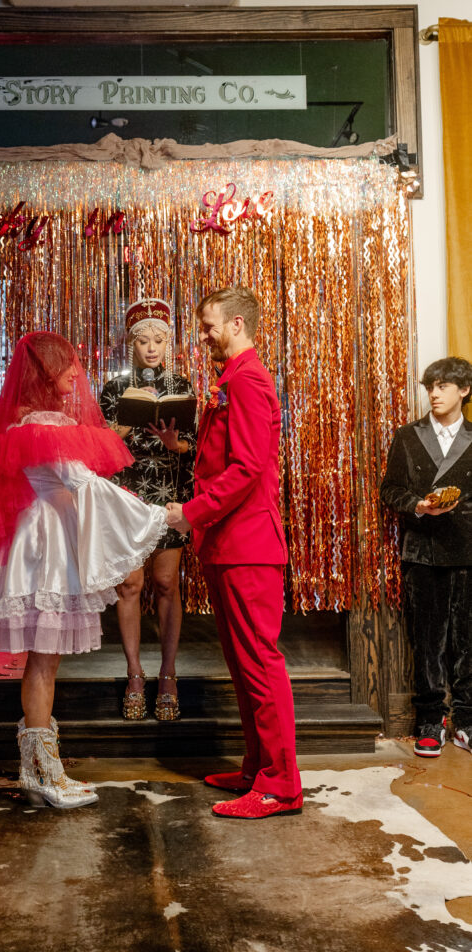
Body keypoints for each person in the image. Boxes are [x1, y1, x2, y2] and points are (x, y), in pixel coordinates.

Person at [0, 332, 168, 808]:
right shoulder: (43, 424)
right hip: (45, 549)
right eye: (69, 367)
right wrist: (157, 515)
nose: (77, 375)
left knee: (45, 659)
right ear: (48, 373)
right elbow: (85, 485)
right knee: (43, 659)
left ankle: (39, 766)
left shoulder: (27, 422)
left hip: (41, 538)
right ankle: (43, 770)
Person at [166, 286, 302, 820]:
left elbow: (247, 469)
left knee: (261, 666)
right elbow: (226, 456)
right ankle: (256, 769)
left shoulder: (246, 379)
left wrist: (191, 512)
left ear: (238, 324)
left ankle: (280, 787)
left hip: (248, 544)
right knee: (244, 666)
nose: (202, 336)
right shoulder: (232, 380)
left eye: (208, 326)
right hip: (229, 544)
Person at [100, 298, 197, 722]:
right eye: (143, 341)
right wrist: (123, 425)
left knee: (165, 583)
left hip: (170, 494)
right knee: (130, 585)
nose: (152, 348)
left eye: (159, 340)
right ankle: (135, 675)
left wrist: (178, 445)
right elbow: (97, 449)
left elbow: (201, 448)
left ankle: (169, 675)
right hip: (127, 496)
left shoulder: (183, 386)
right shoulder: (113, 386)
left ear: (168, 343)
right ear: (131, 344)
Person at [380, 356, 472, 758]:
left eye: (443, 386)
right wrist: (419, 505)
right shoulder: (408, 436)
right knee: (428, 641)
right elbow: (390, 490)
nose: (433, 393)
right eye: (430, 385)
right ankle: (430, 723)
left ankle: (467, 722)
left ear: (464, 390)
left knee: (468, 642)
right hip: (422, 551)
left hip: (468, 550)